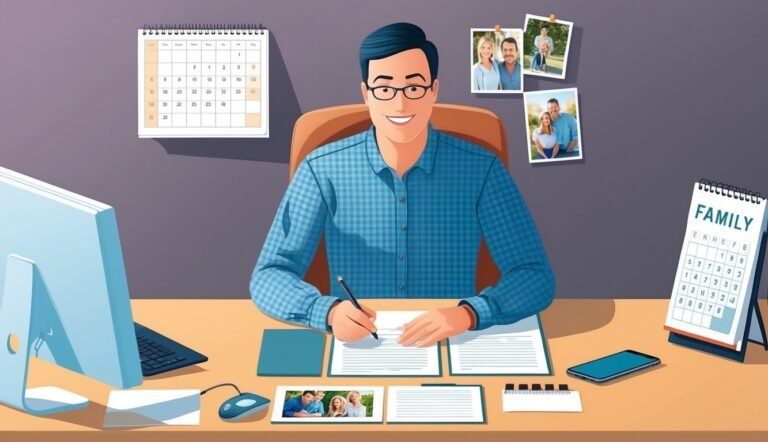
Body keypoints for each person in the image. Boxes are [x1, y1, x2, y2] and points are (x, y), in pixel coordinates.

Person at [251, 22, 554, 348]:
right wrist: (327, 311)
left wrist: (469, 313)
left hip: (453, 343)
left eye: (414, 88)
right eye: (384, 89)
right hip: (360, 347)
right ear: (366, 94)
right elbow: (269, 276)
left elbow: (534, 275)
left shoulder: (481, 169)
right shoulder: (320, 168)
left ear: (434, 91)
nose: (400, 105)